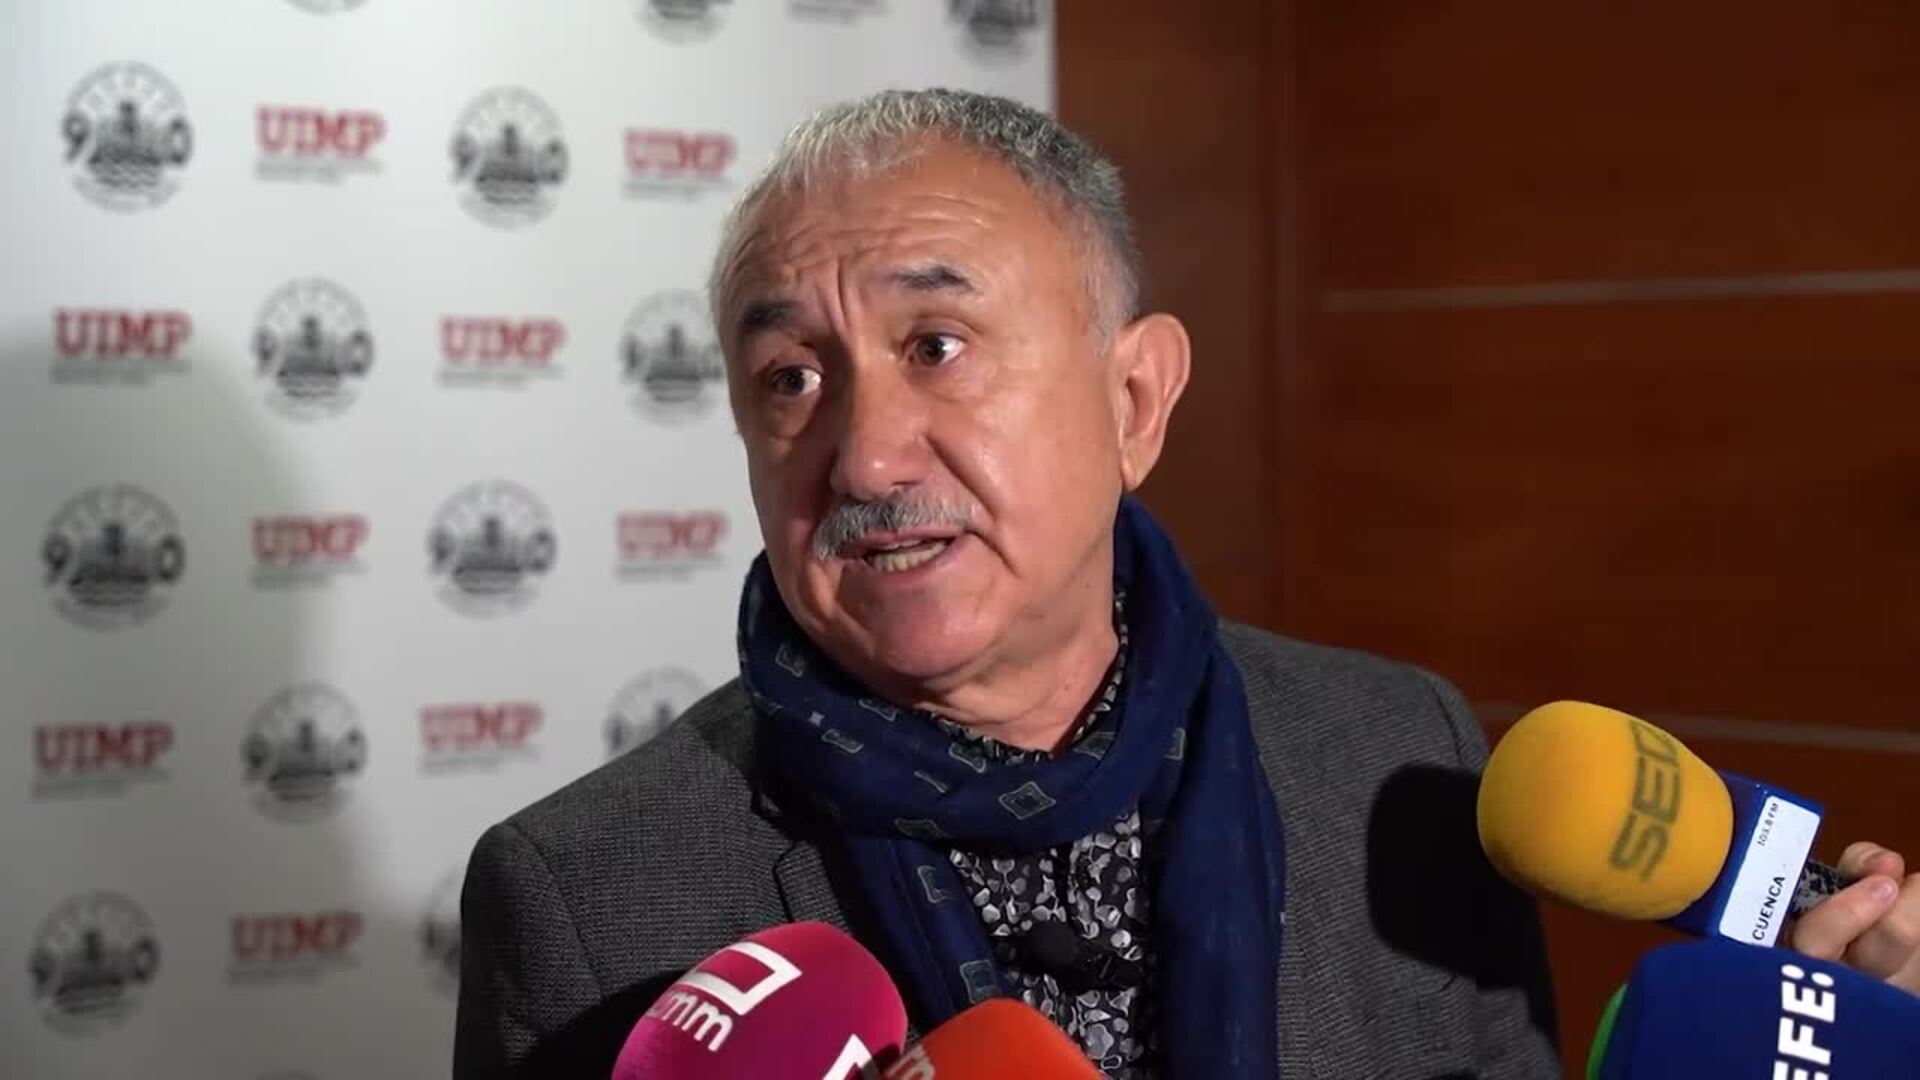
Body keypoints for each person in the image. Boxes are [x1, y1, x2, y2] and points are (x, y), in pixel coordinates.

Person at [453, 89, 1920, 1078]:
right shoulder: (587, 895)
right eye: (790, 377)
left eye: (936, 347)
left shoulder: (1396, 759)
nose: (866, 451)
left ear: (1136, 401)